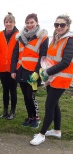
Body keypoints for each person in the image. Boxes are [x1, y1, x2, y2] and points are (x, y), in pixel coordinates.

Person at [30, 14, 73, 145]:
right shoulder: (55, 38)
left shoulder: (70, 40)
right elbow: (50, 58)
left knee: (49, 106)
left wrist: (47, 71)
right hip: (52, 77)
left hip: (61, 79)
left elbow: (66, 62)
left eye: (62, 25)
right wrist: (42, 70)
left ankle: (42, 134)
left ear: (67, 26)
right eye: (56, 25)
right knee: (55, 105)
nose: (59, 27)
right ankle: (57, 131)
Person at [11, 13, 49, 127]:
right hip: (21, 70)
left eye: (32, 22)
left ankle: (36, 118)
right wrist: (13, 70)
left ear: (37, 23)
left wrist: (37, 72)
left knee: (30, 96)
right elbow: (15, 55)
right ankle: (30, 117)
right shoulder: (20, 37)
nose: (29, 25)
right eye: (27, 23)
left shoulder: (43, 38)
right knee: (25, 96)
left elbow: (43, 57)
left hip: (33, 72)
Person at [0, 12, 18, 120]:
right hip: (2, 68)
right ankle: (5, 110)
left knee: (13, 90)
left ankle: (12, 111)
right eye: (6, 22)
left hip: (14, 69)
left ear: (14, 23)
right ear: (4, 23)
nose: (8, 24)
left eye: (10, 22)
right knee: (5, 90)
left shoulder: (19, 35)